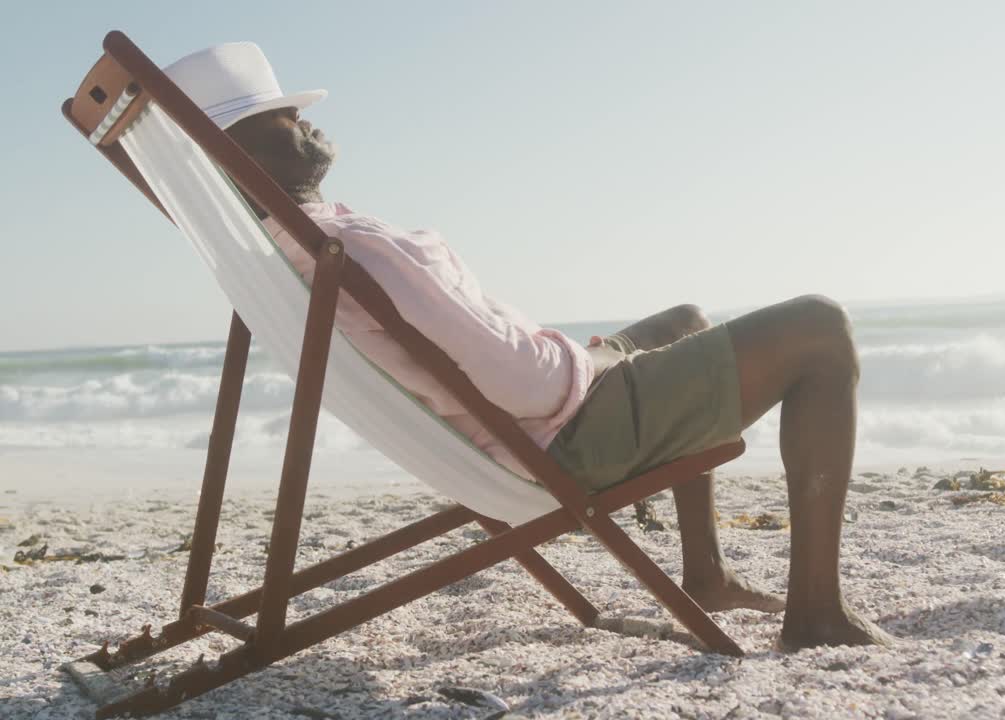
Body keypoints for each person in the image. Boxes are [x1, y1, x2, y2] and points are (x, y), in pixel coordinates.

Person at [166, 42, 891, 651]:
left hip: (538, 415)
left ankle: (704, 574)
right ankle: (817, 613)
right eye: (282, 117)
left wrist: (593, 358)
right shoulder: (346, 252)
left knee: (686, 320)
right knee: (820, 328)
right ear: (237, 154)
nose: (307, 123)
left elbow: (489, 363)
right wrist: (602, 361)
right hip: (565, 434)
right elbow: (516, 380)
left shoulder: (295, 245)